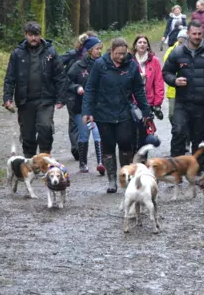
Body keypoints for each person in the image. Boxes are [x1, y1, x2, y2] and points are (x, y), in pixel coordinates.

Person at [81, 37, 152, 193]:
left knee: (126, 142)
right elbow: (90, 89)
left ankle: (126, 175)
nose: (121, 57)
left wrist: (146, 112)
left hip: (124, 111)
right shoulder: (100, 65)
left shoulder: (132, 65)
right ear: (111, 51)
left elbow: (139, 91)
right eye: (118, 54)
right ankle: (112, 179)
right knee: (108, 145)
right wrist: (87, 111)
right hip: (103, 112)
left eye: (124, 54)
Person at [162, 20, 204, 174]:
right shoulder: (177, 52)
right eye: (194, 34)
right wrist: (174, 81)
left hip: (202, 102)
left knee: (199, 135)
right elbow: (166, 72)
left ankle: (197, 168)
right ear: (188, 34)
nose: (197, 37)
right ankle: (175, 168)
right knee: (178, 131)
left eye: (199, 34)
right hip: (182, 101)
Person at [3, 21, 68, 158]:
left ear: (40, 35)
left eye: (36, 35)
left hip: (45, 99)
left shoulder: (50, 51)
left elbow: (60, 76)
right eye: (30, 35)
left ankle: (45, 157)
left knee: (45, 127)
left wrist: (61, 98)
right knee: (28, 133)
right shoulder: (17, 53)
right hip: (25, 100)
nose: (34, 38)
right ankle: (29, 159)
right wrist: (7, 98)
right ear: (25, 35)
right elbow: (10, 77)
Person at [66, 35, 105, 174]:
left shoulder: (102, 64)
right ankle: (83, 163)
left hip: (98, 107)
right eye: (96, 49)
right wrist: (77, 87)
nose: (99, 51)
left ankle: (101, 162)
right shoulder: (78, 66)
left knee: (97, 133)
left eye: (100, 49)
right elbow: (67, 82)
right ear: (89, 50)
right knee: (83, 135)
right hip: (80, 107)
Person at [60, 31, 98, 162]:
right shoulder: (73, 55)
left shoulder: (97, 60)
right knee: (75, 121)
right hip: (72, 95)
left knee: (89, 121)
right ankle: (76, 147)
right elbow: (57, 65)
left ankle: (83, 145)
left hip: (88, 95)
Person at [131, 35, 165, 149]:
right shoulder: (129, 61)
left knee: (144, 132)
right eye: (139, 42)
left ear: (148, 46)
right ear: (135, 45)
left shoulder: (154, 61)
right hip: (132, 101)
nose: (142, 44)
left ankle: (143, 158)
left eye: (144, 42)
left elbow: (159, 82)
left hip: (148, 102)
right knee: (131, 131)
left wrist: (157, 103)